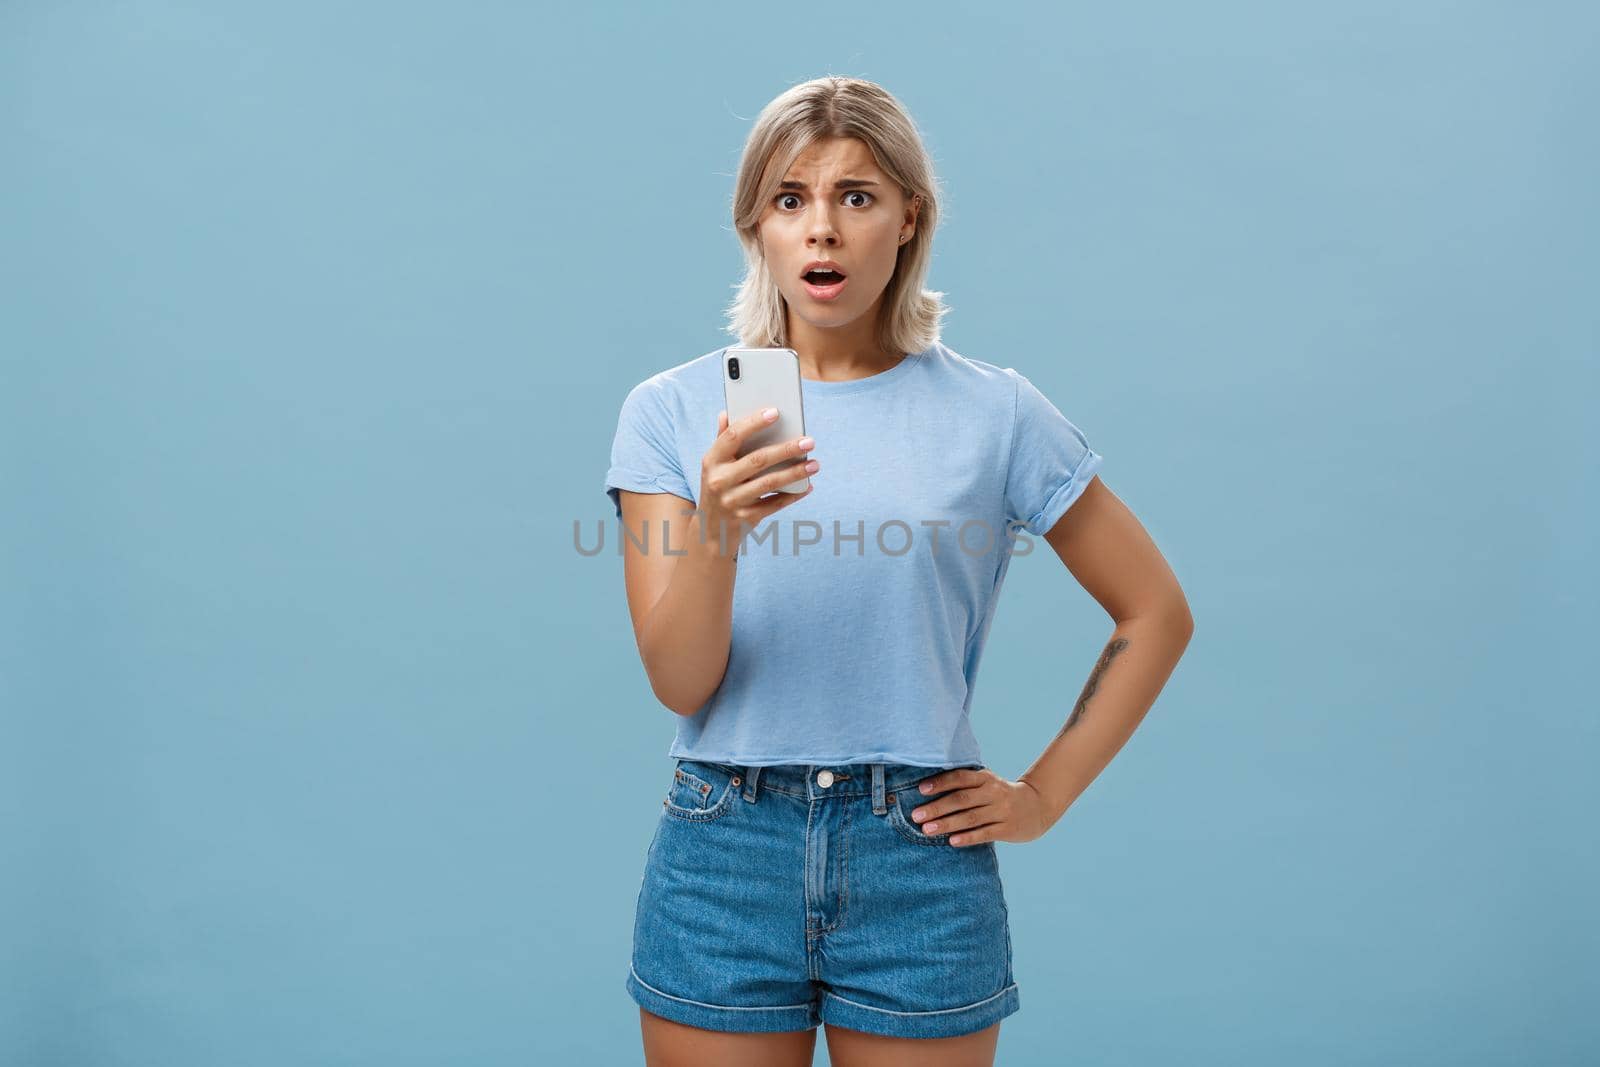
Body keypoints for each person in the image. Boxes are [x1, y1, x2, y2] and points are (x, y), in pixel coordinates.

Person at [604, 75, 1194, 1067]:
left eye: (856, 197)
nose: (822, 231)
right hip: (723, 849)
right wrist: (718, 529)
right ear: (756, 223)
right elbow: (678, 682)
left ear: (907, 216)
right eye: (791, 199)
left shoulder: (993, 412)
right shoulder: (670, 411)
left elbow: (1154, 611)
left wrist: (1043, 795)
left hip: (916, 851)